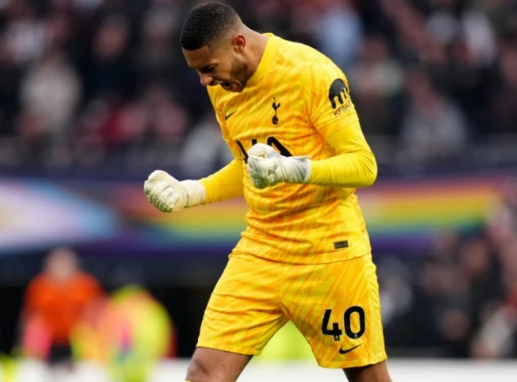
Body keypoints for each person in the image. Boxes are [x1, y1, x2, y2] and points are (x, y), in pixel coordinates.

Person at [144, 3, 391, 382]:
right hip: (261, 249)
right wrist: (191, 192)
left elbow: (363, 165)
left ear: (239, 43)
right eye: (198, 72)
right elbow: (249, 168)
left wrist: (293, 169)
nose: (205, 83)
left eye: (208, 69)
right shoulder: (223, 88)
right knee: (205, 372)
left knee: (367, 377)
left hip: (327, 252)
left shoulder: (312, 73)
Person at [21, 247, 105, 377]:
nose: (61, 268)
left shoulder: (86, 285)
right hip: (49, 341)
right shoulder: (39, 286)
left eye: (65, 264)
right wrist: (27, 344)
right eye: (57, 264)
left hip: (77, 340)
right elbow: (30, 316)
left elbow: (96, 313)